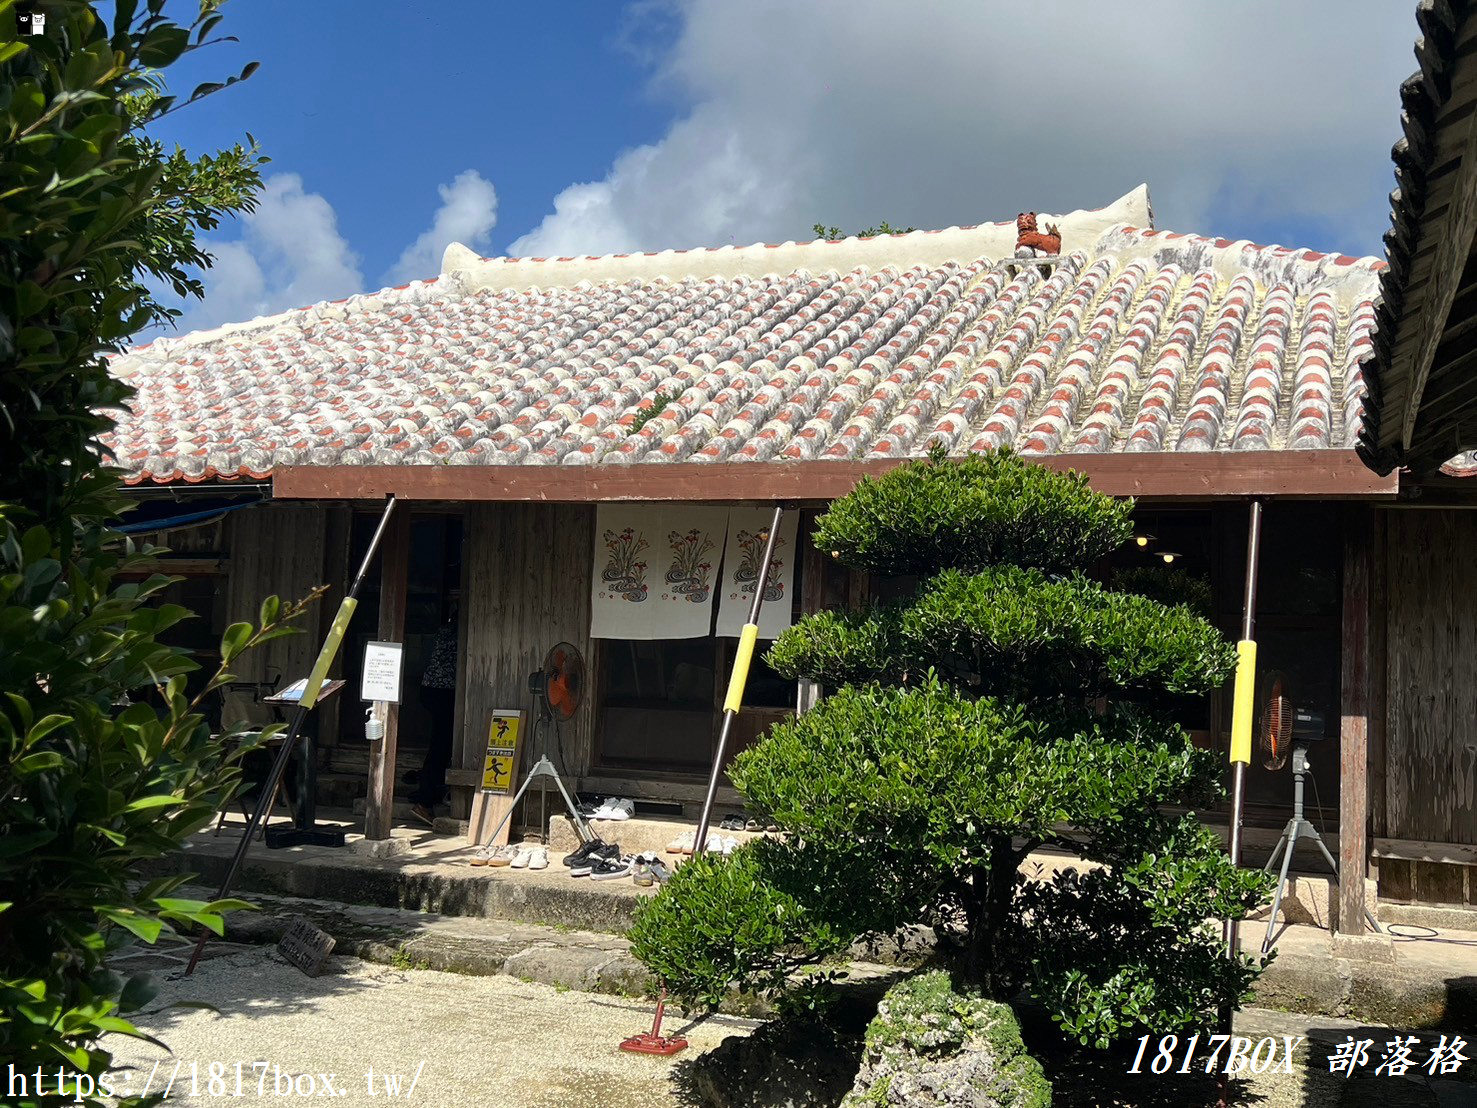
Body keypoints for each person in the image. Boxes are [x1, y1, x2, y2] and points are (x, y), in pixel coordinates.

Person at [410, 609, 458, 826]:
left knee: (440, 743)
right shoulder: (459, 633)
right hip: (443, 692)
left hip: (430, 689)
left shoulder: (444, 630)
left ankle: (430, 793)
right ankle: (425, 801)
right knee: (441, 745)